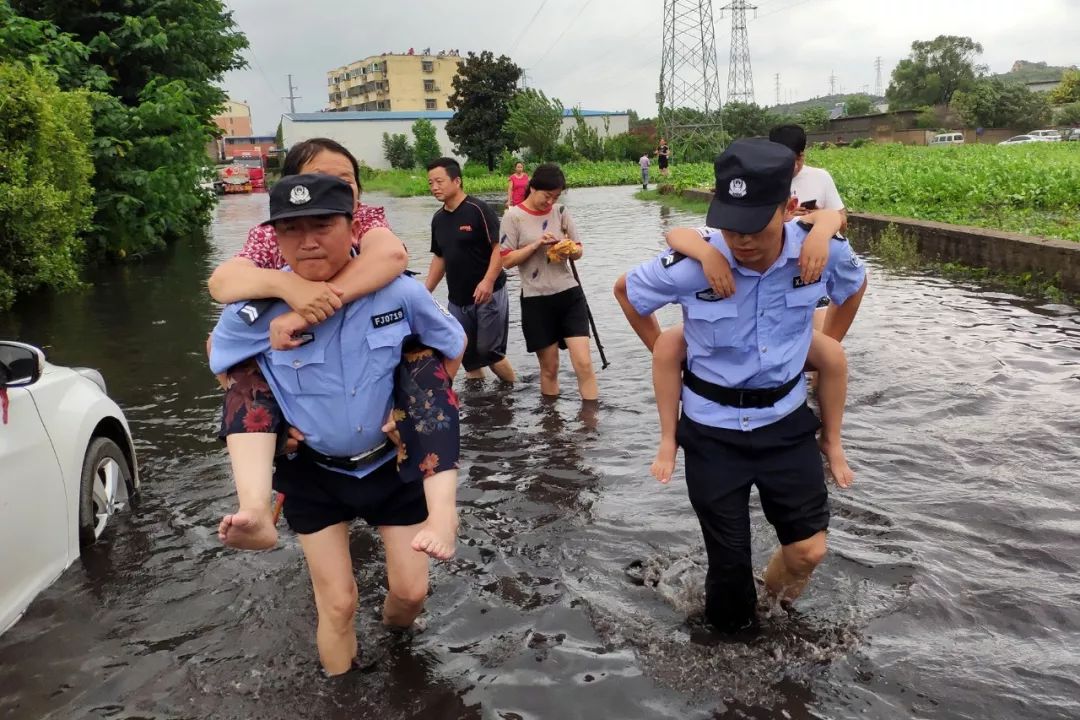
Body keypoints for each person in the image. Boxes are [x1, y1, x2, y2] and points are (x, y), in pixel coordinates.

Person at [209, 174, 466, 676]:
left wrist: (406, 415)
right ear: (275, 238)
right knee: (338, 605)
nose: (307, 241)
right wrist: (275, 425)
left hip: (390, 464)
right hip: (314, 472)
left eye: (323, 225)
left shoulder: (399, 292)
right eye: (292, 229)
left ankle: (398, 643)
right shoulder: (257, 310)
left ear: (352, 227)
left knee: (410, 594)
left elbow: (451, 345)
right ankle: (257, 513)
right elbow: (223, 363)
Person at [613, 138, 867, 634]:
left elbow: (854, 285)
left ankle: (771, 608)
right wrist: (669, 352)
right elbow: (626, 292)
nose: (741, 241)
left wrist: (820, 347)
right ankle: (735, 639)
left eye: (754, 225)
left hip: (786, 421)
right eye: (730, 226)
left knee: (808, 550)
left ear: (788, 208)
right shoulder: (696, 263)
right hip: (712, 431)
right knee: (728, 572)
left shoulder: (820, 254)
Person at [649, 213, 855, 489]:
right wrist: (708, 255)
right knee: (666, 347)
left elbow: (833, 217)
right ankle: (667, 438)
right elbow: (676, 235)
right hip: (723, 327)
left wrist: (820, 235)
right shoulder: (729, 227)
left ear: (785, 209)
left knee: (833, 354)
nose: (745, 237)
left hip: (783, 322)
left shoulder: (793, 221)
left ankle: (832, 439)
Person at [500, 163, 598, 401]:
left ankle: (591, 427)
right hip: (536, 299)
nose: (550, 202)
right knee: (550, 368)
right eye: (547, 196)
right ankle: (551, 426)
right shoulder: (513, 216)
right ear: (532, 188)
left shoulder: (561, 211)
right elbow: (507, 260)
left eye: (555, 196)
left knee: (583, 363)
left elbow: (579, 250)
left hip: (569, 294)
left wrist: (568, 250)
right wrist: (535, 245)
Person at [425, 157, 515, 383]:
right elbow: (440, 257)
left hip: (488, 294)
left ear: (457, 181)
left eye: (439, 181)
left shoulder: (478, 209)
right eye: (430, 183)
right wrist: (424, 291)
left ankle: (512, 392)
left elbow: (498, 248)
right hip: (458, 300)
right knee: (465, 355)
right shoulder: (438, 219)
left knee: (490, 353)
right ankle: (479, 407)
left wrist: (487, 281)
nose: (434, 187)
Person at [769, 124, 848, 333]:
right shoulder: (765, 181)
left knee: (819, 339)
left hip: (813, 272)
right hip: (778, 271)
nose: (794, 166)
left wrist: (821, 216)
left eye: (799, 158)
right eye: (787, 160)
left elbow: (843, 221)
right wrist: (786, 218)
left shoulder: (820, 177)